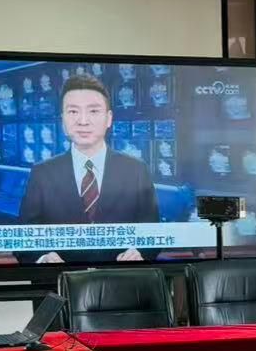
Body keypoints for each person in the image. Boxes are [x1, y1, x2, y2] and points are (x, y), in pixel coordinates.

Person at [19, 73, 158, 263]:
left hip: (121, 278)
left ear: (108, 119)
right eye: (73, 112)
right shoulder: (42, 173)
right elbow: (23, 239)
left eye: (93, 111)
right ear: (63, 120)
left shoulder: (136, 170)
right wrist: (43, 258)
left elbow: (153, 234)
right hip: (59, 278)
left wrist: (138, 252)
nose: (83, 121)